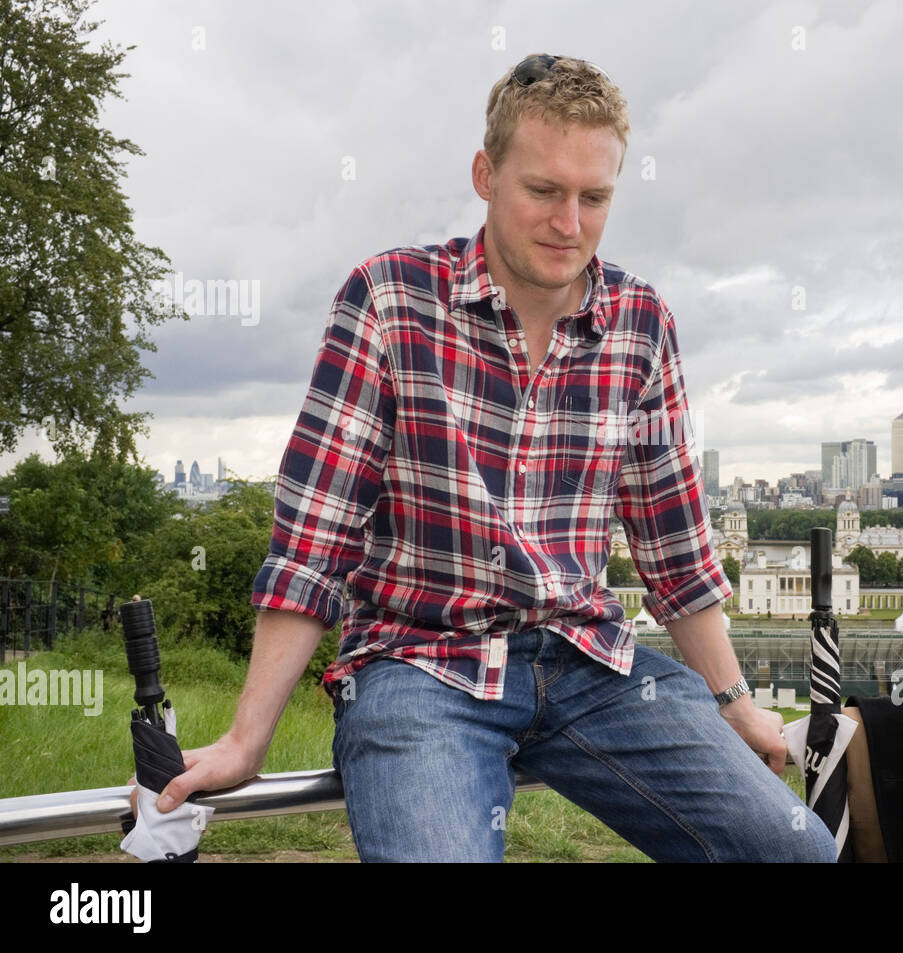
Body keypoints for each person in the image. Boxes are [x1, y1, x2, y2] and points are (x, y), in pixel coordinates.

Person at [138, 53, 838, 863]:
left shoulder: (640, 323)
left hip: (590, 665)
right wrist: (245, 737)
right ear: (485, 173)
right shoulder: (392, 300)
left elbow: (673, 545)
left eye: (594, 197)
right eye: (543, 190)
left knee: (799, 852)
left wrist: (735, 700)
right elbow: (314, 540)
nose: (568, 222)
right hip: (420, 665)